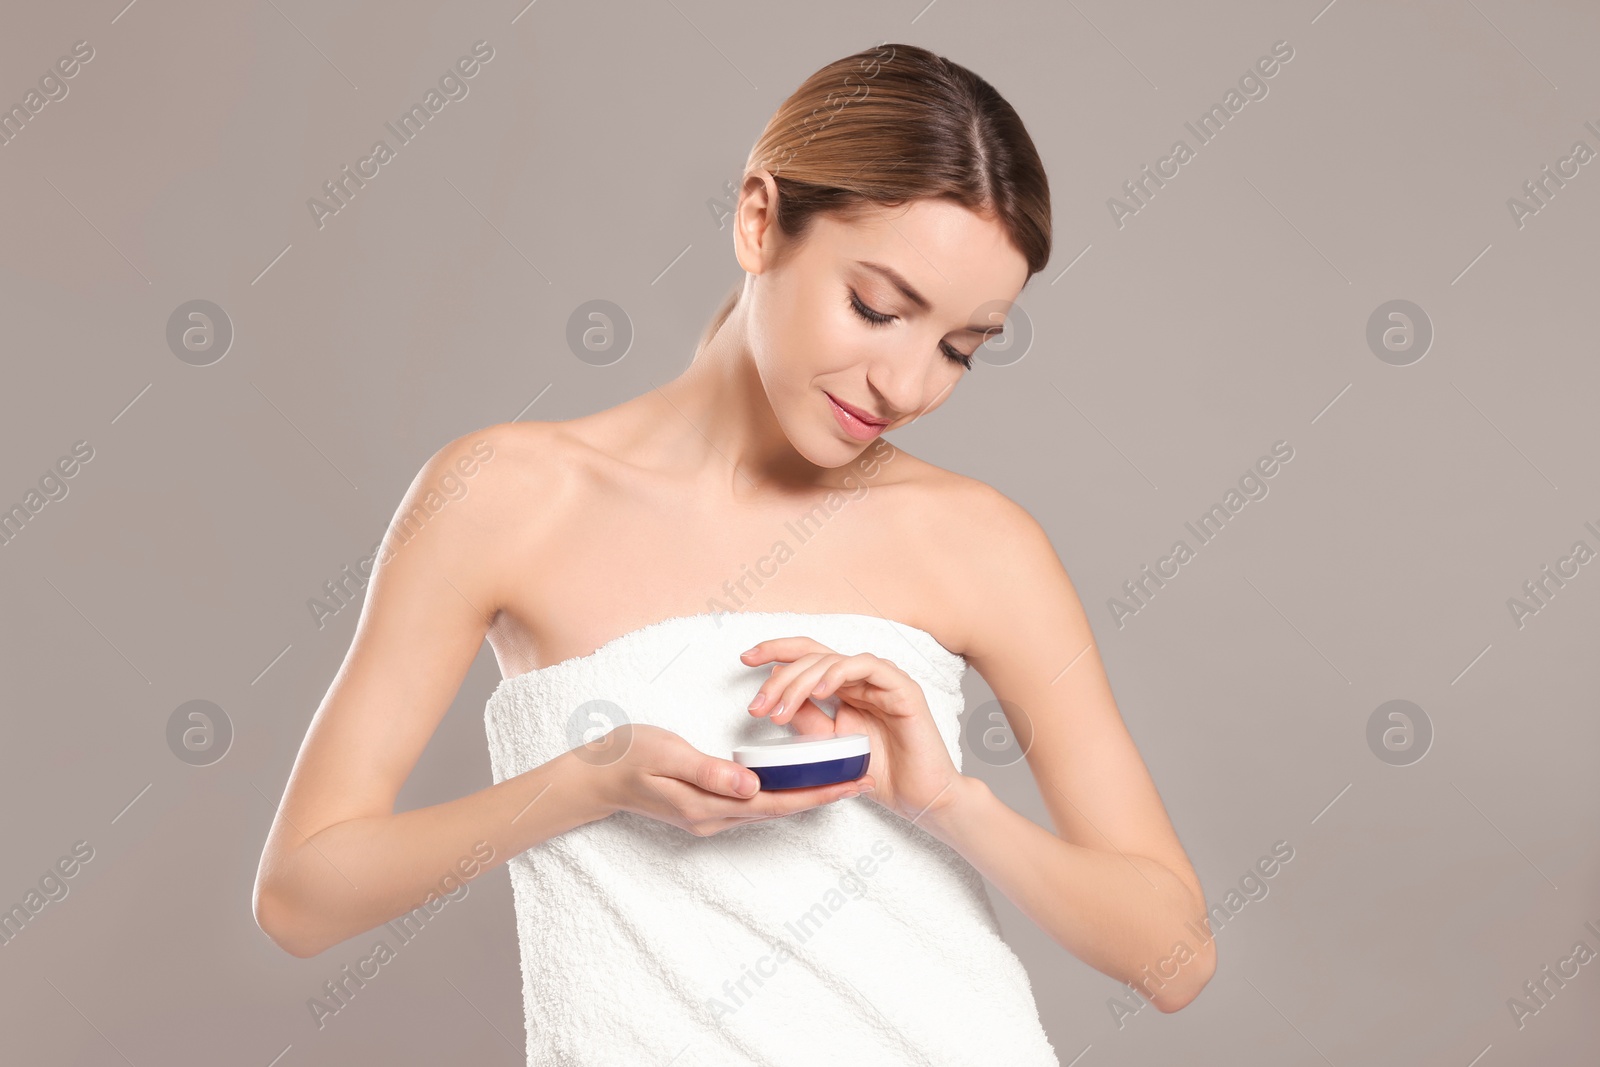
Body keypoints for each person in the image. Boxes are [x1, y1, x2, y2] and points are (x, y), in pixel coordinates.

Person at [253, 41, 1214, 1064]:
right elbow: (303, 896)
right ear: (759, 219)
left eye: (957, 348)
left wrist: (946, 800)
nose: (904, 385)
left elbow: (1174, 956)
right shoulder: (500, 497)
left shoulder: (977, 541)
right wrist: (585, 780)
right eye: (877, 309)